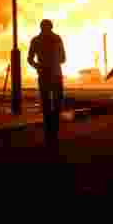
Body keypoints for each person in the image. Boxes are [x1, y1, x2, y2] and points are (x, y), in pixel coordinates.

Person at [27, 19, 66, 149]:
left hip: (44, 74)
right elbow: (63, 58)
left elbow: (30, 59)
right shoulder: (57, 39)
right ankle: (53, 127)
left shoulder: (36, 40)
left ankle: (48, 127)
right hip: (55, 74)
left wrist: (38, 66)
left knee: (46, 101)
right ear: (51, 27)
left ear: (41, 27)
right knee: (57, 101)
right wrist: (54, 61)